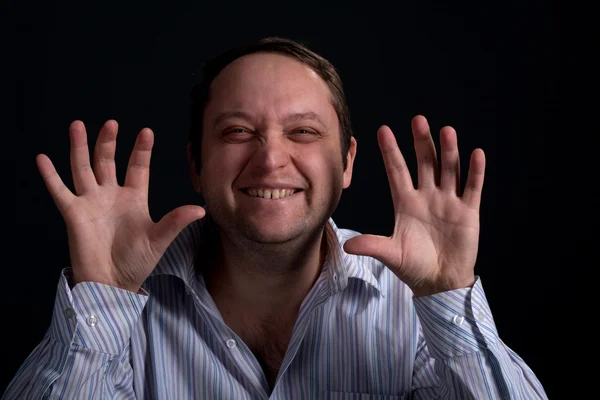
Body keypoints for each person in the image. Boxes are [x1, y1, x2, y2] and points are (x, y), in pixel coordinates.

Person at [2, 36, 547, 399]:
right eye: (238, 131)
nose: (269, 159)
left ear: (347, 163)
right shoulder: (123, 303)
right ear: (195, 164)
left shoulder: (414, 301)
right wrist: (101, 296)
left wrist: (449, 294)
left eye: (304, 132)